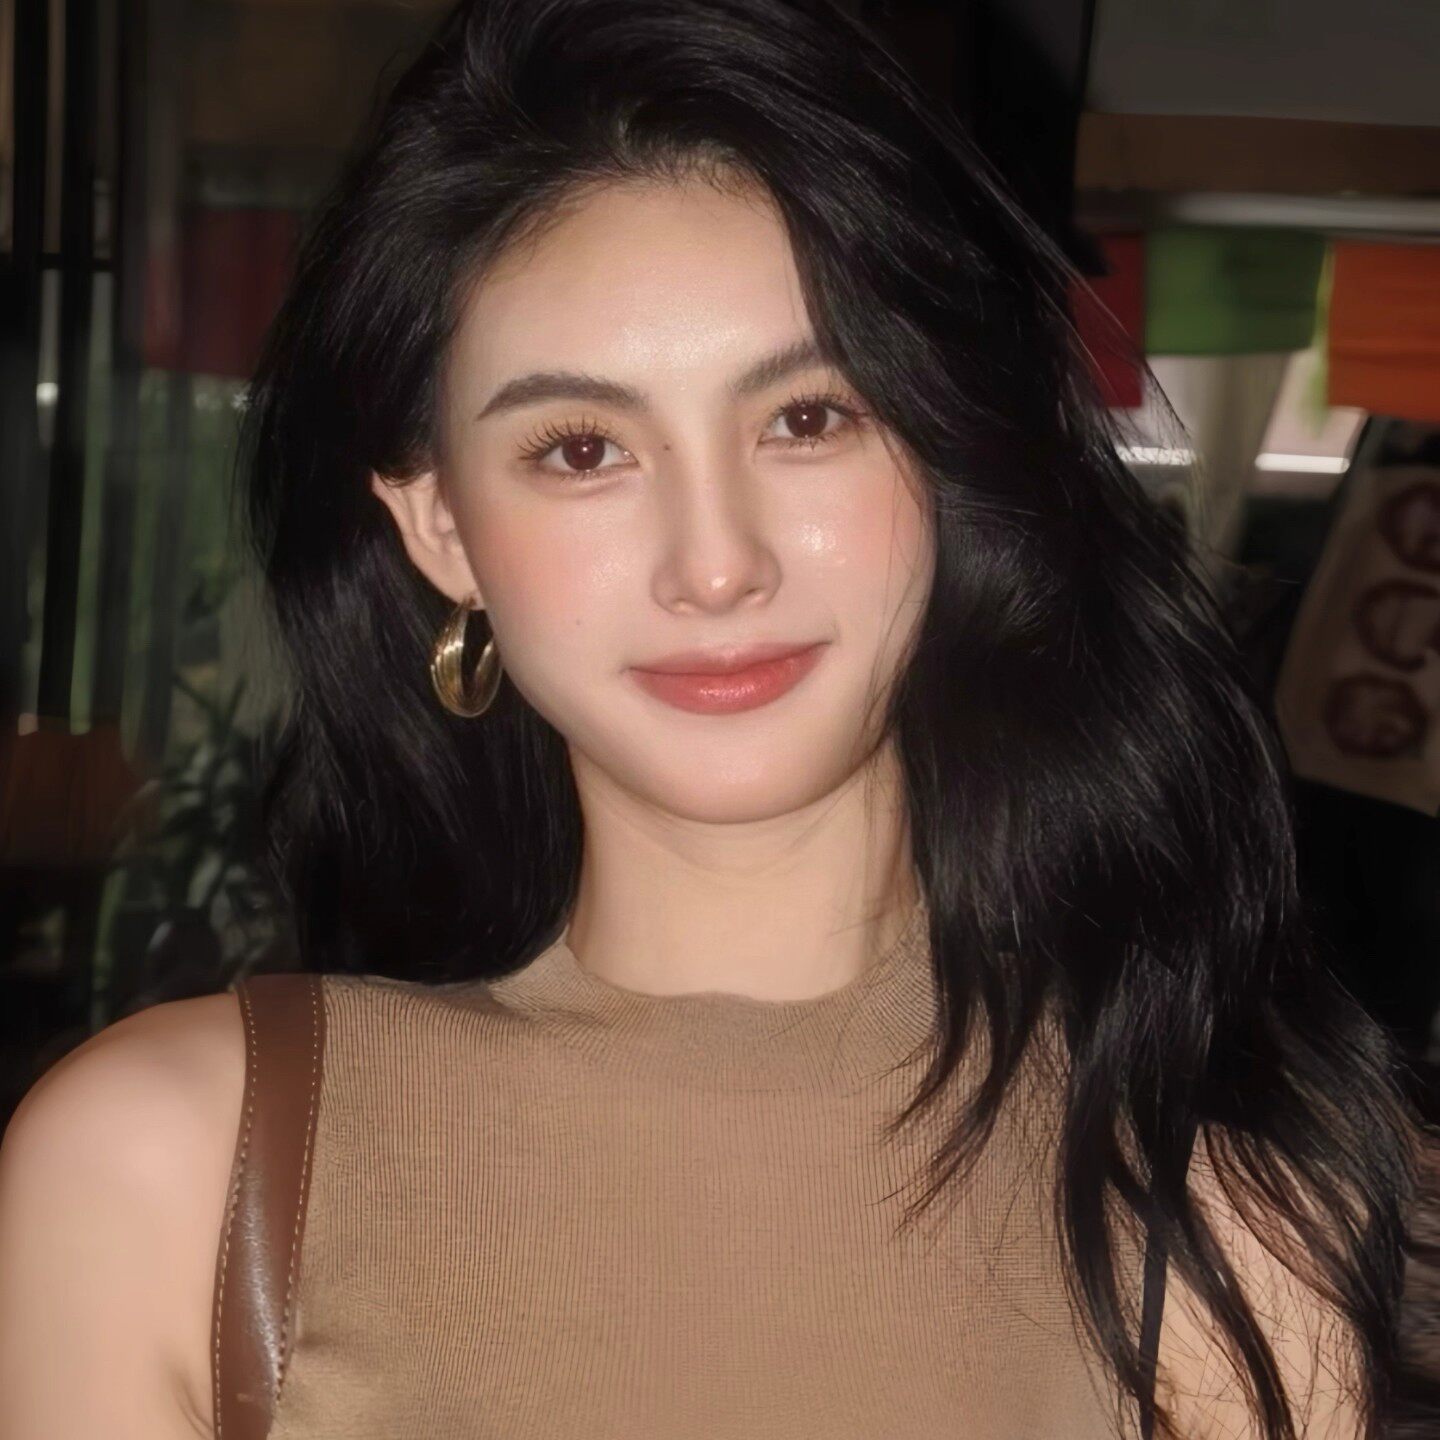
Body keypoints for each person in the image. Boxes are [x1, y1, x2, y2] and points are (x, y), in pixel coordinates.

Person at [0, 1, 1426, 1437]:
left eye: (807, 419)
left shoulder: (1223, 1218)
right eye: (581, 449)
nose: (717, 564)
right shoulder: (167, 1178)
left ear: (946, 455)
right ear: (440, 528)